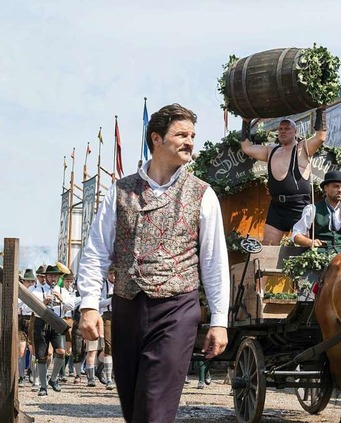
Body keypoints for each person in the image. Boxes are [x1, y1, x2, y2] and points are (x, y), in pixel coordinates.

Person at [77, 103, 230, 423]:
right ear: (156, 139)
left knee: (154, 409)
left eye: (193, 135)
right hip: (127, 306)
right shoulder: (121, 191)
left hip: (177, 310)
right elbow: (96, 250)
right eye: (181, 134)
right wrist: (89, 304)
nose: (190, 141)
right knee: (135, 408)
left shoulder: (203, 194)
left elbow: (214, 262)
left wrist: (219, 320)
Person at [240, 108, 326, 245]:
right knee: (268, 245)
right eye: (280, 129)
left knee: (304, 247)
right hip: (277, 207)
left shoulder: (303, 148)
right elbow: (246, 148)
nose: (283, 131)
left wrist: (321, 110)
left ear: (295, 132)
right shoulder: (270, 151)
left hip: (299, 206)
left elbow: (320, 137)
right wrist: (246, 122)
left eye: (287, 128)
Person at [291, 170, 341, 253]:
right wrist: (310, 242)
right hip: (319, 257)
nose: (340, 190)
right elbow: (296, 234)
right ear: (325, 188)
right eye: (336, 186)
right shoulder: (312, 209)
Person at [32, 264, 74, 396]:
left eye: (55, 275)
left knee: (61, 351)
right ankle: (43, 387)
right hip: (41, 322)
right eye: (50, 275)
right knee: (41, 356)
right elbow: (30, 309)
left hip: (57, 323)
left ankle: (54, 379)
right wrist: (43, 302)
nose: (53, 278)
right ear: (46, 277)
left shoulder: (62, 291)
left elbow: (71, 306)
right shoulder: (37, 290)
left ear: (59, 277)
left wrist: (61, 300)